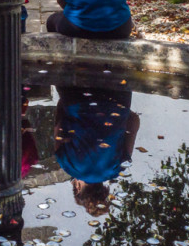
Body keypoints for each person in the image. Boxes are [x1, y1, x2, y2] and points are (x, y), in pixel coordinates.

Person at [54, 86, 139, 216]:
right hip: (75, 97)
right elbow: (59, 123)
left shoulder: (117, 169)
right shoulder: (68, 166)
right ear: (77, 188)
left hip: (118, 97)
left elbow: (134, 120)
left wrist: (114, 112)